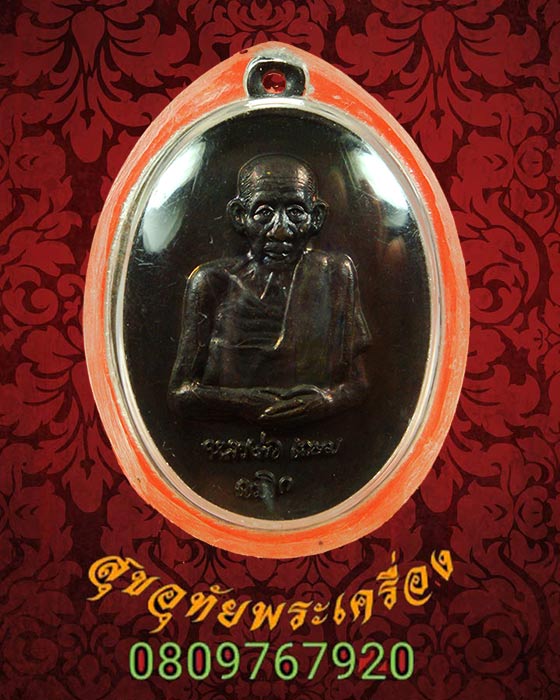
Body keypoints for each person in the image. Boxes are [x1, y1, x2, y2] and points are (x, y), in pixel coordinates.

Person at [168, 154, 371, 425]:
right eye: (264, 212)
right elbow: (181, 393)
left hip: (315, 439)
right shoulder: (212, 283)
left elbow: (357, 385)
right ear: (240, 216)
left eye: (295, 212)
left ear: (316, 217)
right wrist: (244, 402)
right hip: (229, 441)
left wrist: (323, 402)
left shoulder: (333, 275)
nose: (280, 231)